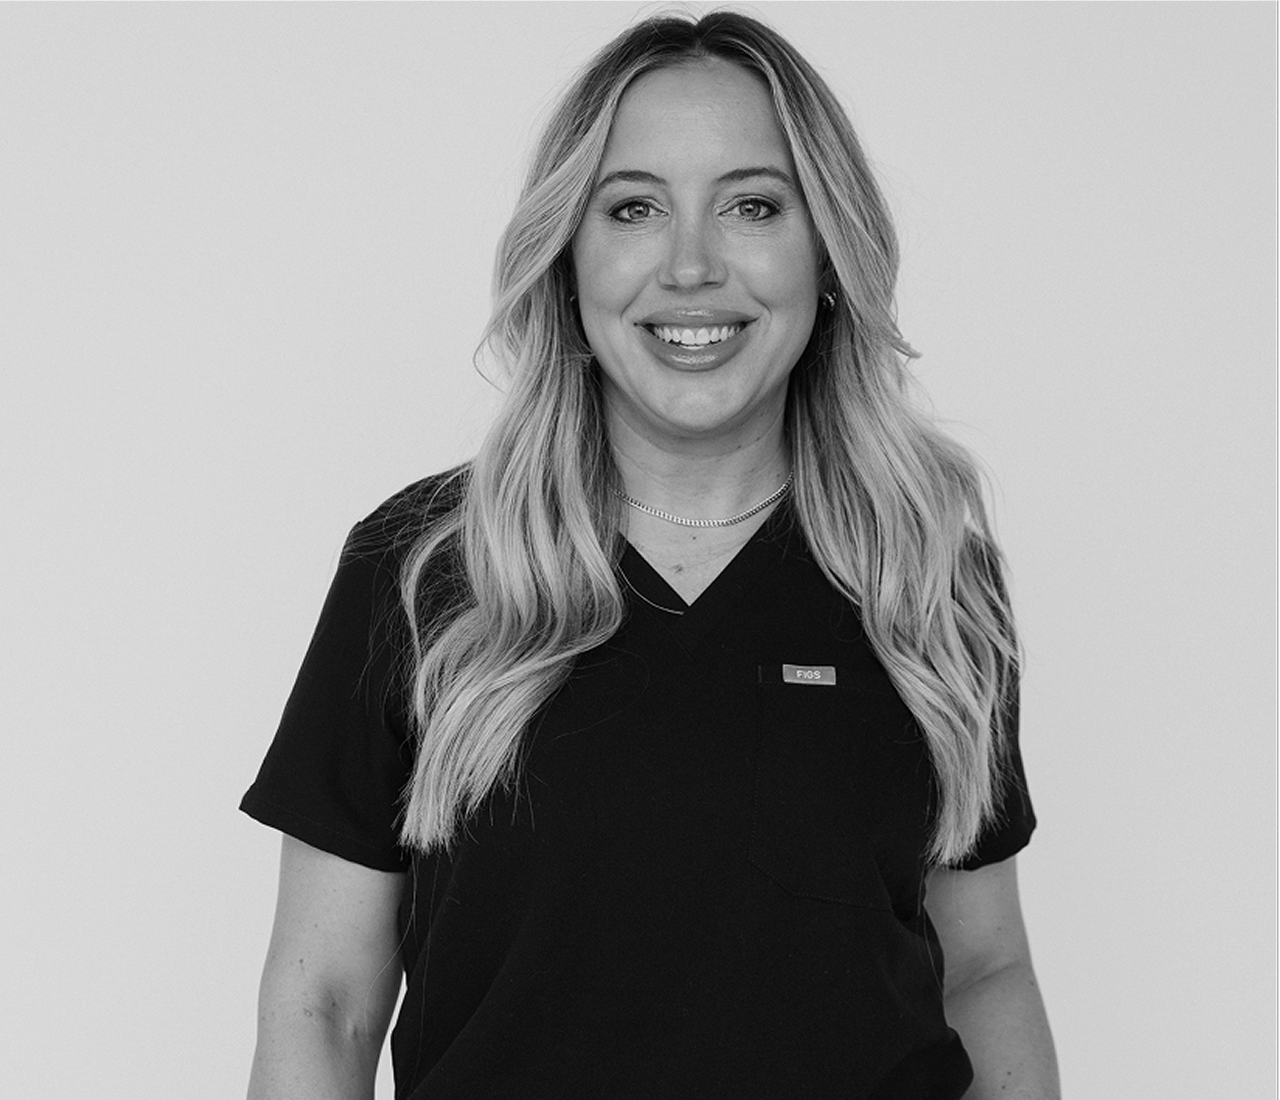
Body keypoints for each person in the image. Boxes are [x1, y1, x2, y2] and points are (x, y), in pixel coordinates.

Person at [242, 11, 1059, 1099]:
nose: (688, 265)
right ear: (566, 260)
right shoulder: (425, 567)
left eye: (752, 205)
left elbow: (986, 967)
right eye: (631, 208)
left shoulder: (924, 573)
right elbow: (325, 1002)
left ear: (827, 256)